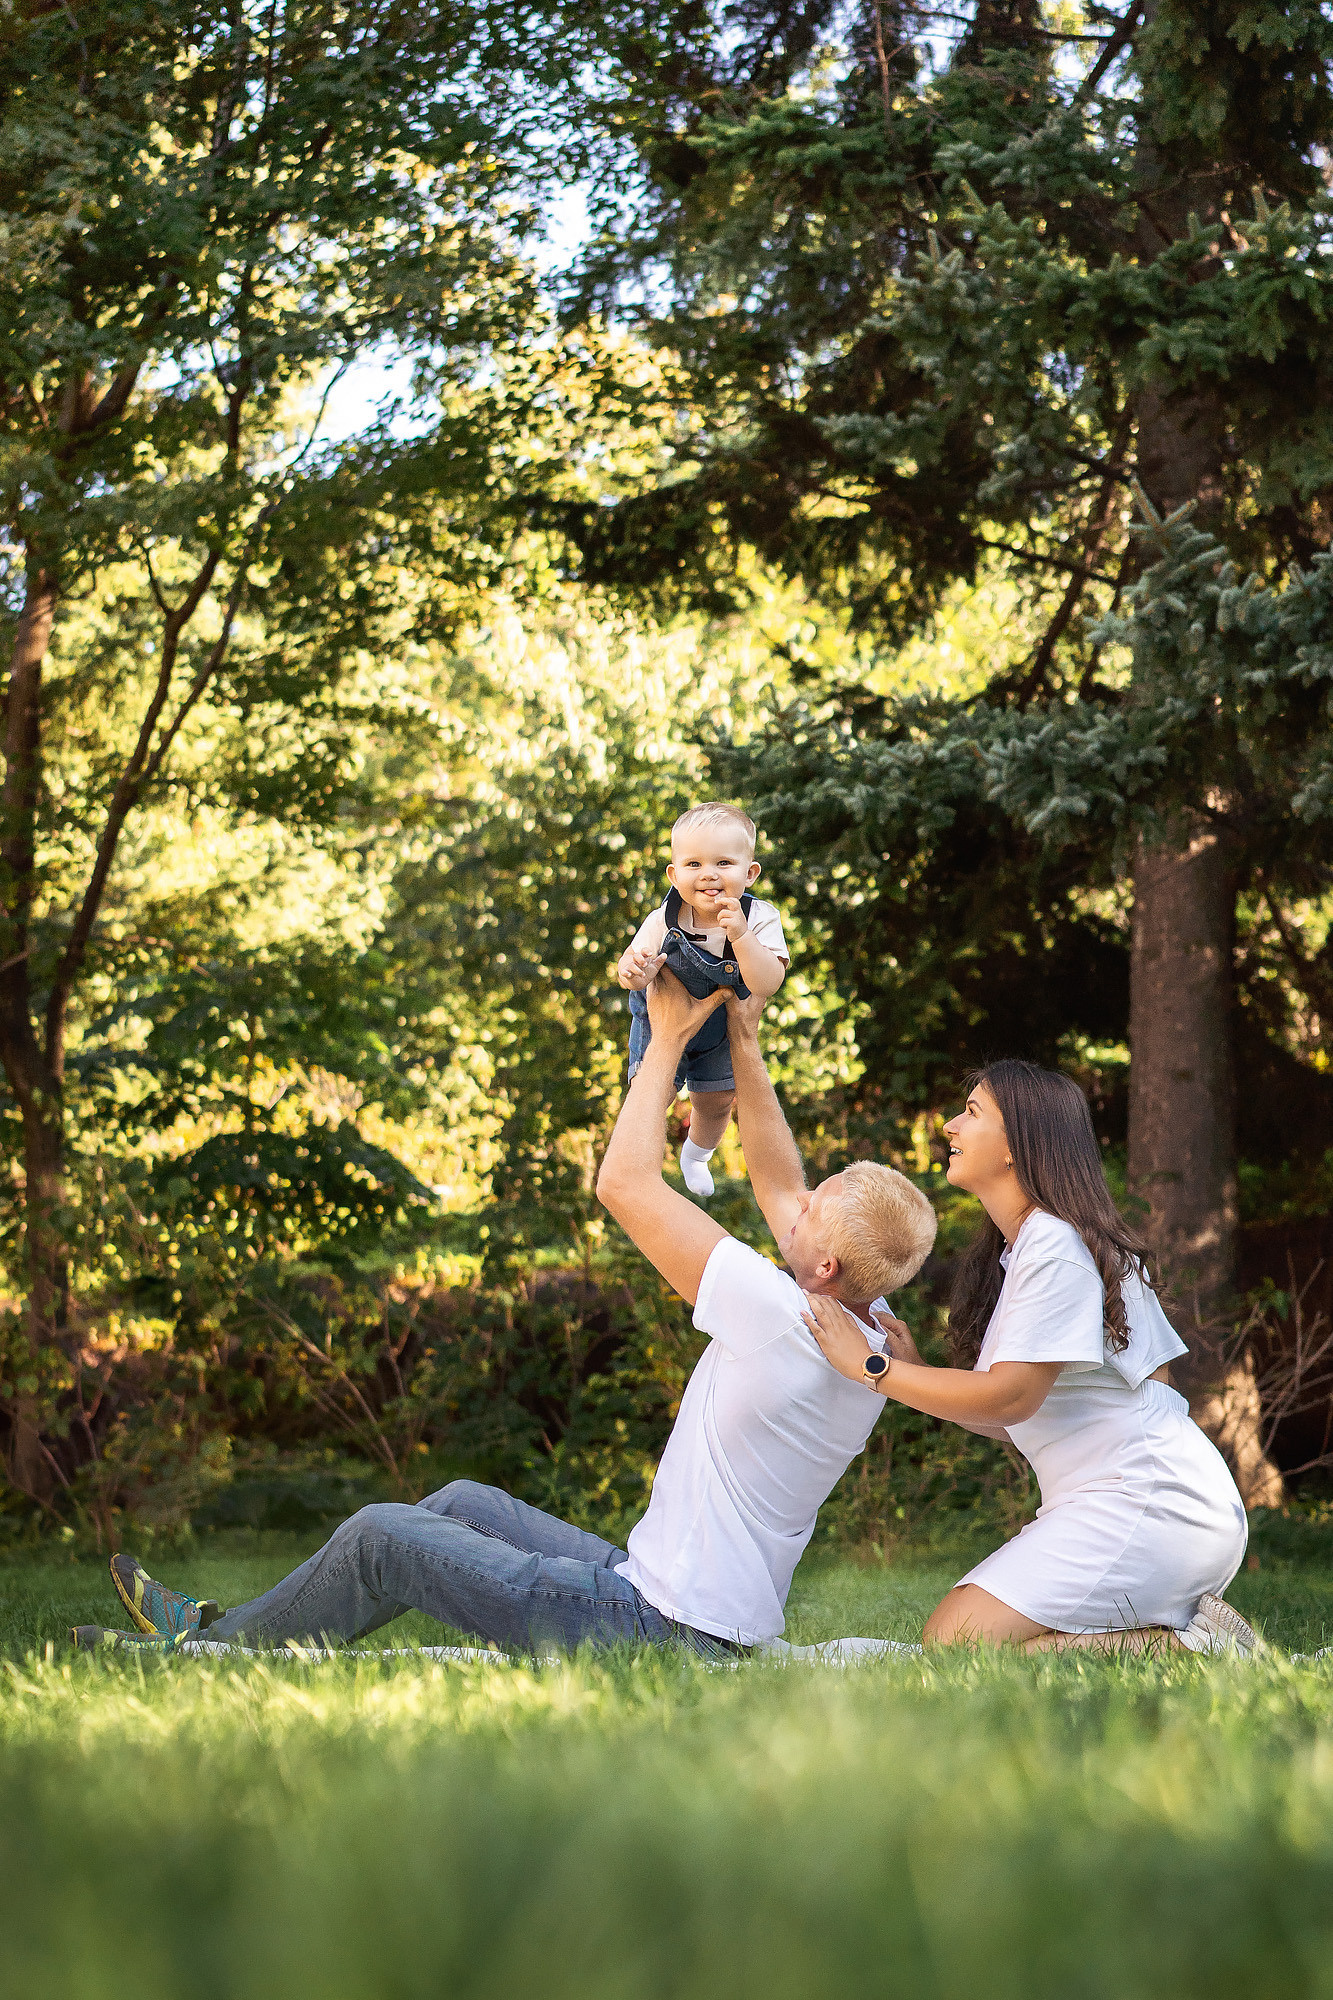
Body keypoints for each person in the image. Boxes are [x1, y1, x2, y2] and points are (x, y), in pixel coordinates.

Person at [79, 976, 936, 1658]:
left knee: (382, 1533)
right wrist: (742, 1038)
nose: (792, 1203)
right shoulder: (867, 1329)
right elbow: (784, 1185)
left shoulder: (777, 1313)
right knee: (459, 1502)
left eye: (812, 1210)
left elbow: (623, 1186)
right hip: (689, 1606)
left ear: (822, 1262)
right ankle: (263, 1632)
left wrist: (669, 1038)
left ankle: (206, 1649)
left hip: (658, 1626)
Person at [801, 1059, 1260, 1656]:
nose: (949, 1126)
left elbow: (1012, 1396)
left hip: (1149, 1504)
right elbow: (1011, 1417)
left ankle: (1194, 1650)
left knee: (956, 1641)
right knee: (962, 1644)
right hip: (1137, 1502)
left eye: (971, 1113)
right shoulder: (1035, 1246)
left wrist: (872, 1368)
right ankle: (1185, 1641)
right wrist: (910, 1369)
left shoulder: (1055, 1245)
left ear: (1018, 1144)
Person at [617, 801, 788, 1198]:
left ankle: (696, 1154)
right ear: (674, 875)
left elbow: (766, 983)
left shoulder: (760, 918)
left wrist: (742, 938)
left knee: (715, 1102)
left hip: (719, 1027)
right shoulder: (663, 918)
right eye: (693, 865)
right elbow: (632, 963)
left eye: (724, 863)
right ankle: (642, 1170)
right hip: (659, 1022)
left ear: (750, 873)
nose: (708, 874)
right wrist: (633, 971)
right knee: (650, 1095)